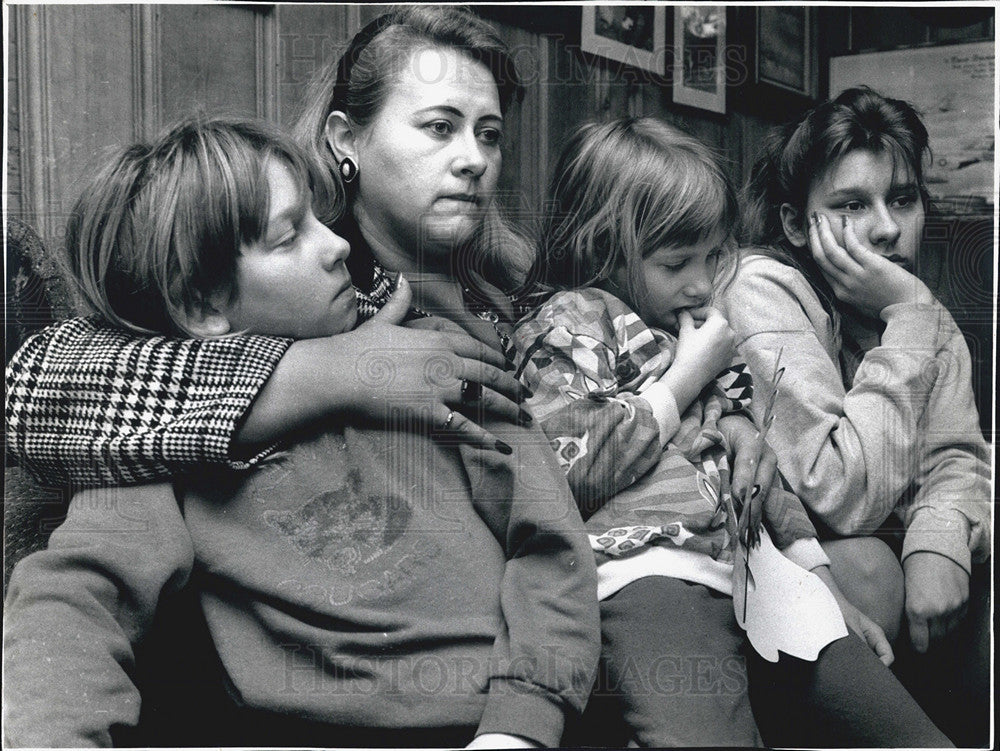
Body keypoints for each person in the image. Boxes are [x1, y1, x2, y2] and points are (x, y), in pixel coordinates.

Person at [3, 115, 600, 749]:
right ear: (203, 305)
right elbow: (72, 607)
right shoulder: (156, 438)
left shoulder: (437, 364)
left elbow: (550, 545)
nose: (336, 244)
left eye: (320, 217)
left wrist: (524, 723)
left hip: (505, 726)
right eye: (290, 237)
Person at [512, 117, 952, 748]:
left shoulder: (694, 328)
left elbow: (764, 480)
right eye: (675, 263)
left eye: (713, 257)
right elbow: (571, 471)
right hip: (647, 579)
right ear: (602, 251)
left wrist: (827, 591)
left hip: (756, 569)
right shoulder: (567, 328)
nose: (700, 283)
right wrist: (686, 378)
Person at [4, 8, 541, 489]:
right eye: (440, 126)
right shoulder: (303, 282)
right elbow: (41, 391)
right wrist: (337, 370)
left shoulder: (510, 273)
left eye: (489, 134)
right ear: (346, 140)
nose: (474, 158)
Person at [722, 86, 991, 746]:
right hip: (782, 554)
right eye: (850, 205)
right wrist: (909, 321)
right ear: (795, 223)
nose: (886, 227)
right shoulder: (761, 287)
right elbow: (838, 495)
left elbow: (958, 456)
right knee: (870, 566)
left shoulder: (918, 307)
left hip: (886, 547)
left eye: (902, 198)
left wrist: (941, 533)